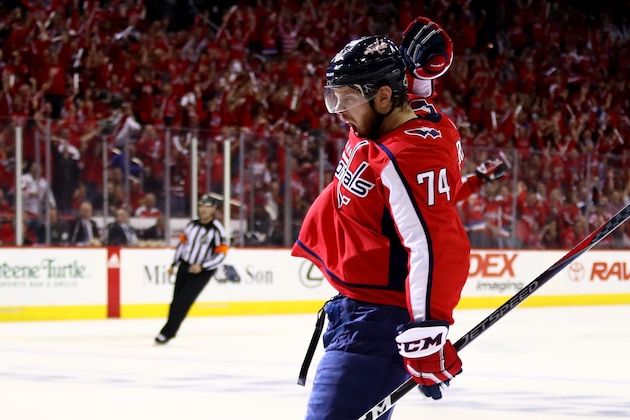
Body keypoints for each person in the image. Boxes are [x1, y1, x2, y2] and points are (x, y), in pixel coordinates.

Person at [291, 33, 471, 419]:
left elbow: (435, 243)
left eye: (346, 99)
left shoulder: (410, 154)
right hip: (356, 311)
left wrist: (427, 326)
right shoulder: (387, 117)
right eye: (332, 97)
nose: (338, 111)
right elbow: (414, 98)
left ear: (385, 97)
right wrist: (420, 74)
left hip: (375, 322)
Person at [155, 193, 228, 345]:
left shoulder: (217, 230)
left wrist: (202, 266)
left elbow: (221, 255)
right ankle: (169, 330)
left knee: (183, 301)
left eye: (207, 207)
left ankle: (167, 332)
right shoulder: (191, 225)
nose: (203, 210)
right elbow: (182, 245)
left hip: (201, 272)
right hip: (185, 266)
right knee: (175, 302)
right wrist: (174, 263)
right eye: (201, 206)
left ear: (213, 210)